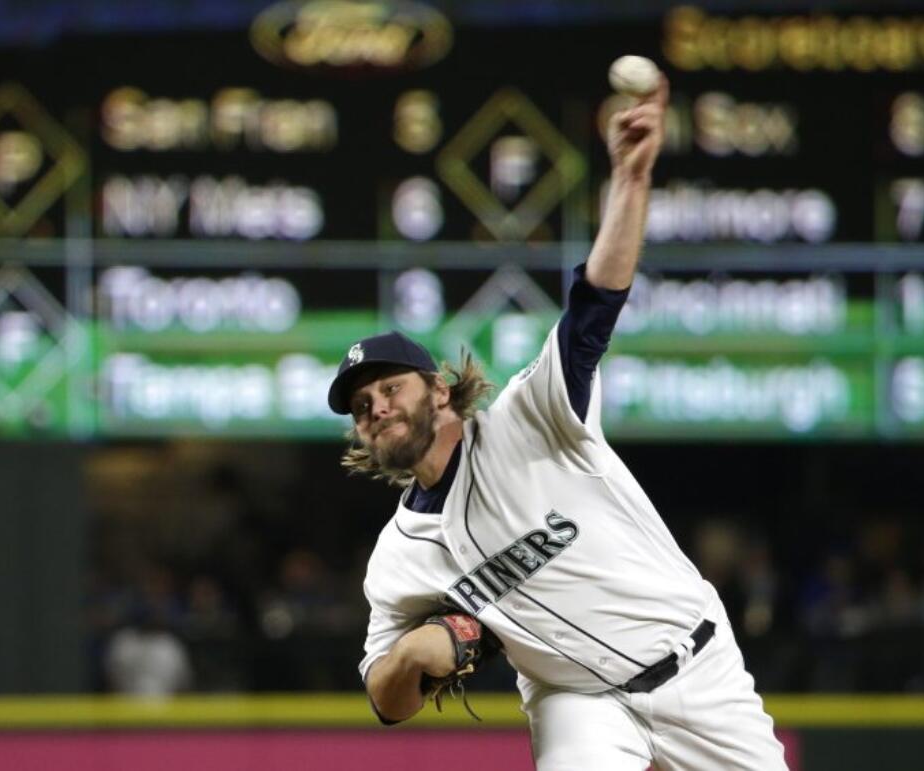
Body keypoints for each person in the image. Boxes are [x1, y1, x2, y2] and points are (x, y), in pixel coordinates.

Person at [328, 74, 788, 770]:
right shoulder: (400, 556)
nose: (377, 407)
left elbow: (595, 301)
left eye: (389, 388)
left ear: (441, 392)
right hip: (578, 702)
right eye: (362, 407)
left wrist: (631, 179)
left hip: (694, 665)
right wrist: (409, 658)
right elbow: (384, 698)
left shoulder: (530, 417)